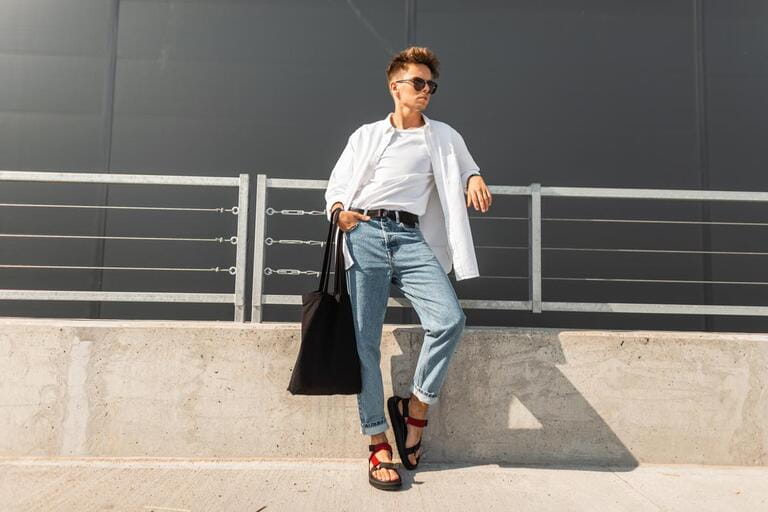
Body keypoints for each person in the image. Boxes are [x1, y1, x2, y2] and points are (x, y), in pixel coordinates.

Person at [324, 46, 492, 490]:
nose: (425, 92)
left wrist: (473, 178)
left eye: (430, 86)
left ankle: (415, 409)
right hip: (365, 233)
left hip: (412, 238)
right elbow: (338, 184)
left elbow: (465, 167)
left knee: (449, 320)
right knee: (365, 344)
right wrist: (340, 210)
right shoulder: (366, 135)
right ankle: (378, 441)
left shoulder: (443, 136)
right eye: (417, 83)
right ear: (394, 86)